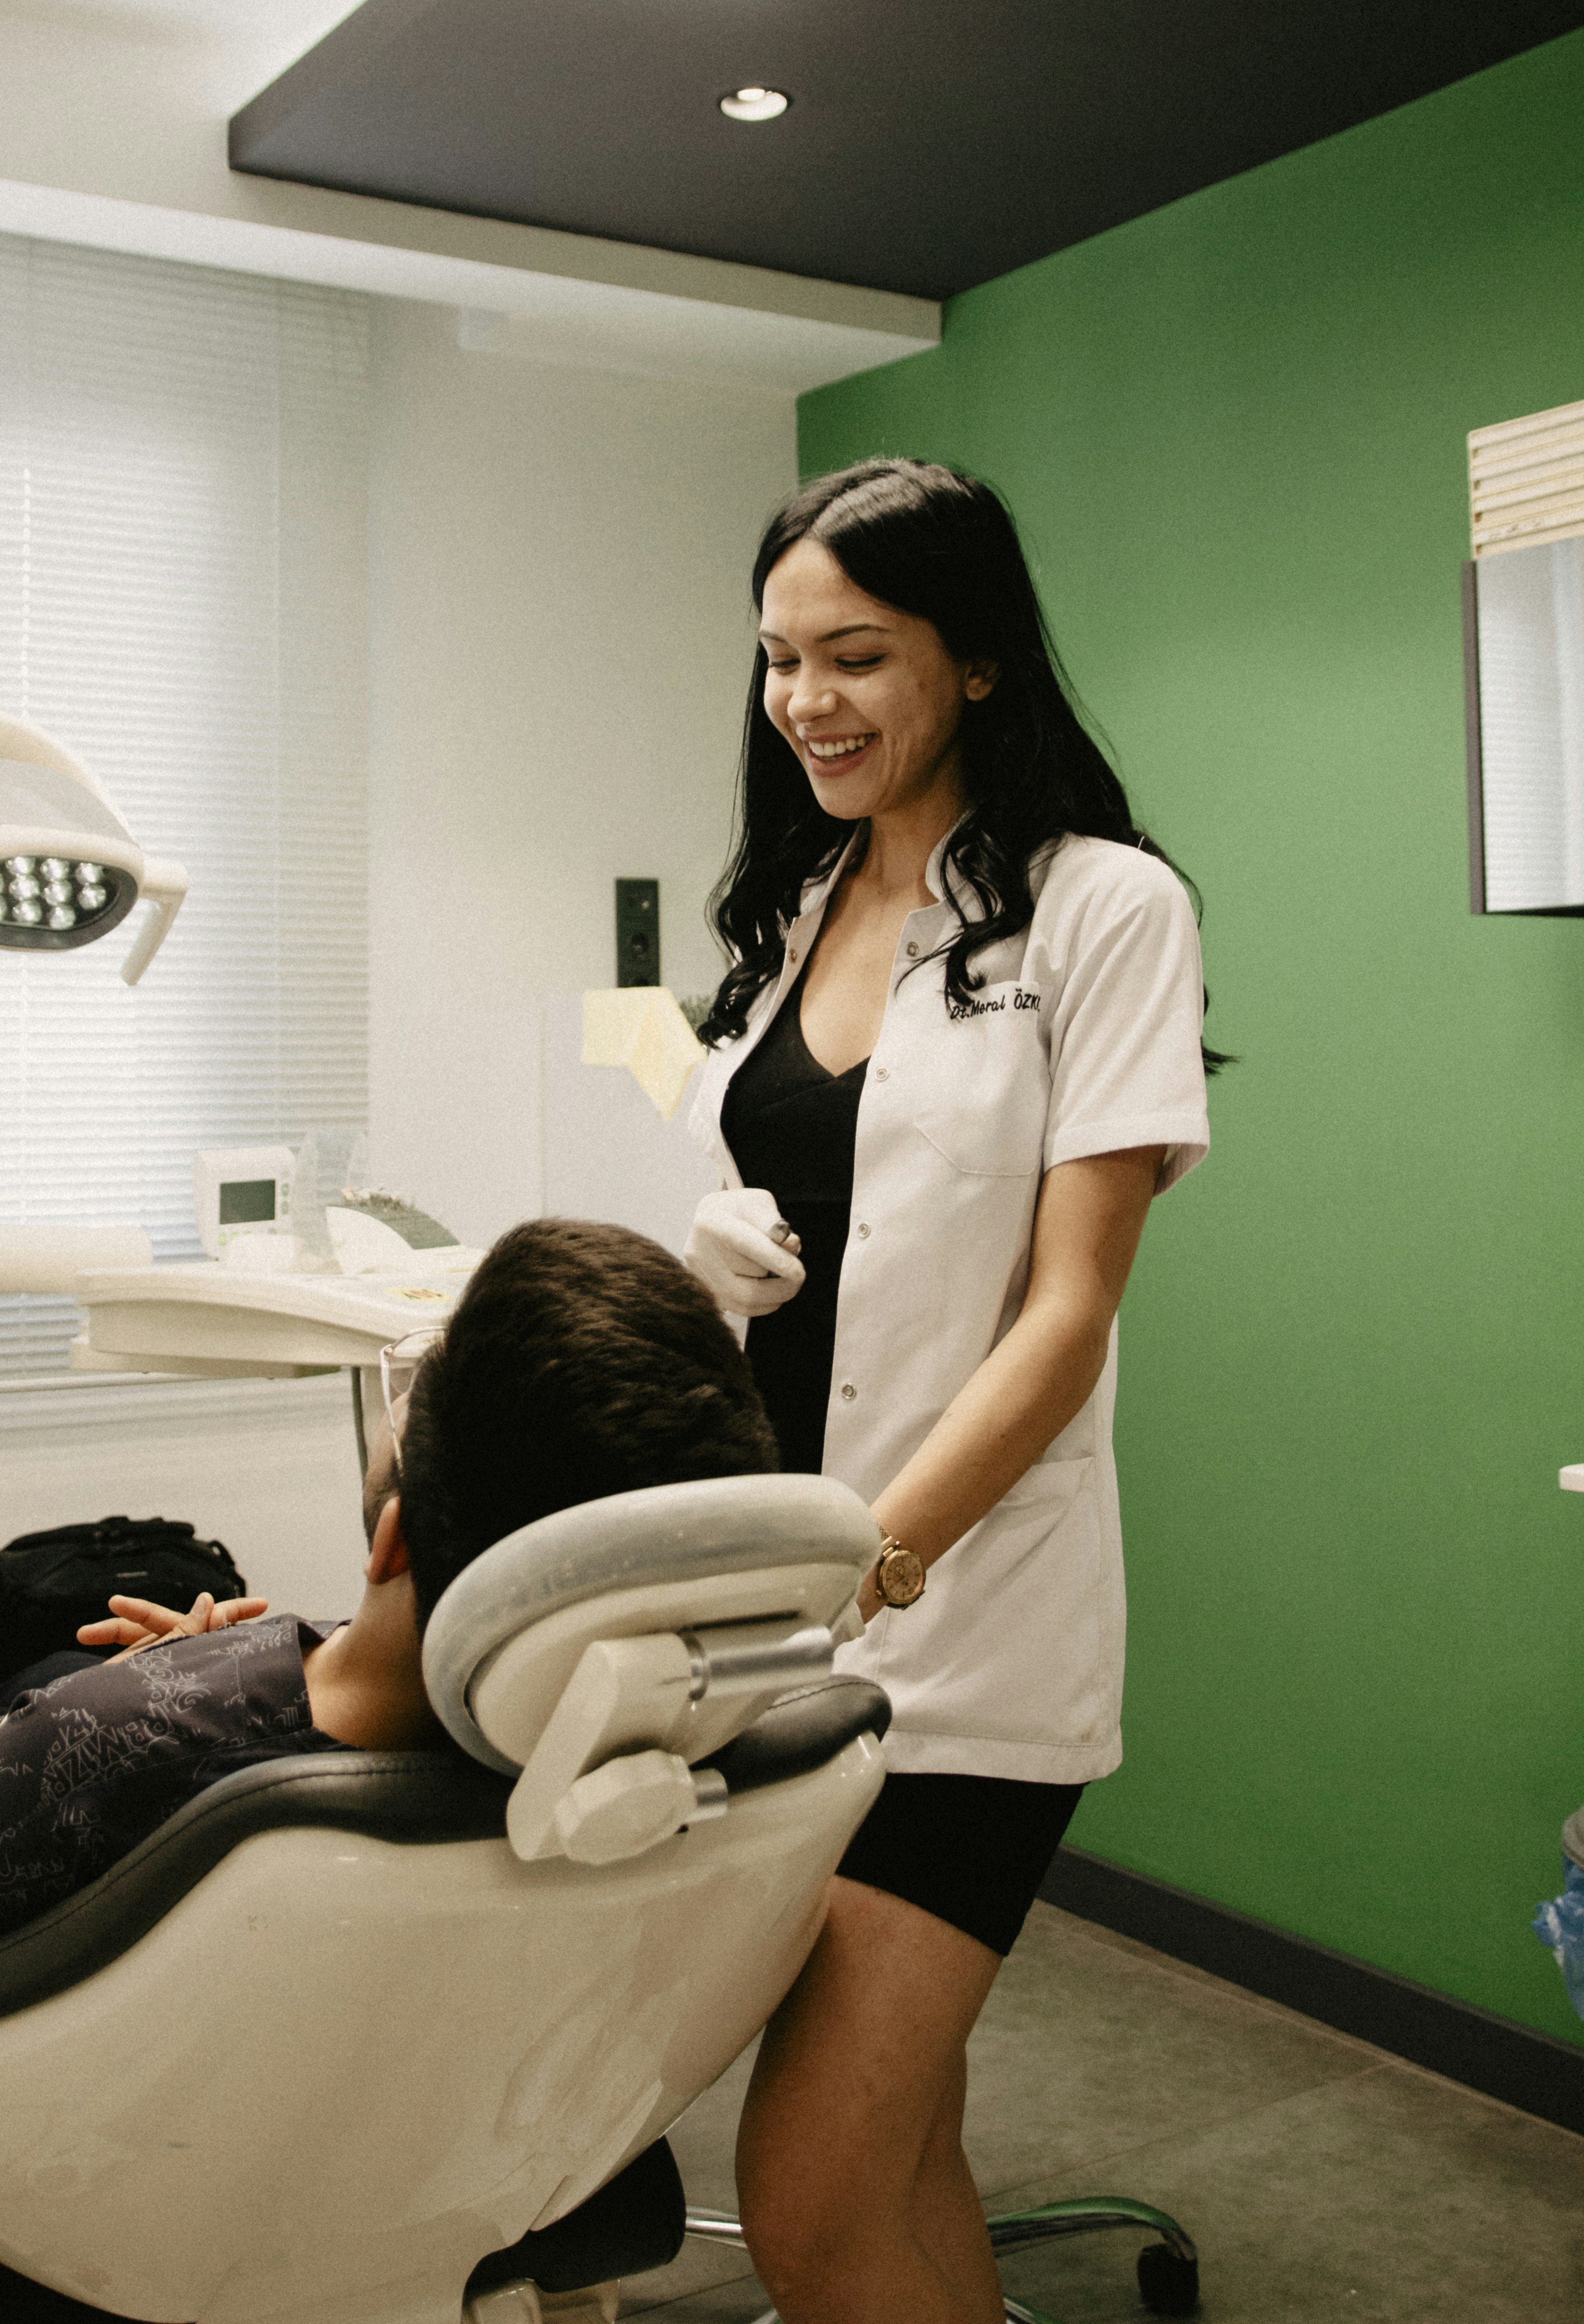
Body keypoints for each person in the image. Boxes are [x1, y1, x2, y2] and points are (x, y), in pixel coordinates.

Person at [682, 459, 1214, 2324]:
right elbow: (801, 1232)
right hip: (766, 1607)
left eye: (854, 654)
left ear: (974, 660)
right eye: (776, 661)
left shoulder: (1102, 909)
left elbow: (1064, 1312)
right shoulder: (795, 900)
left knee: (808, 2191)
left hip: (960, 1625)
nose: (804, 702)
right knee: (900, 2145)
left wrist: (871, 1559)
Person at [0, 1218, 778, 2069]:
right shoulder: (649, 1775)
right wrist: (179, 1683)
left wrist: (129, 1709)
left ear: (391, 1538)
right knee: (53, 1676)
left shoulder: (106, 1740)